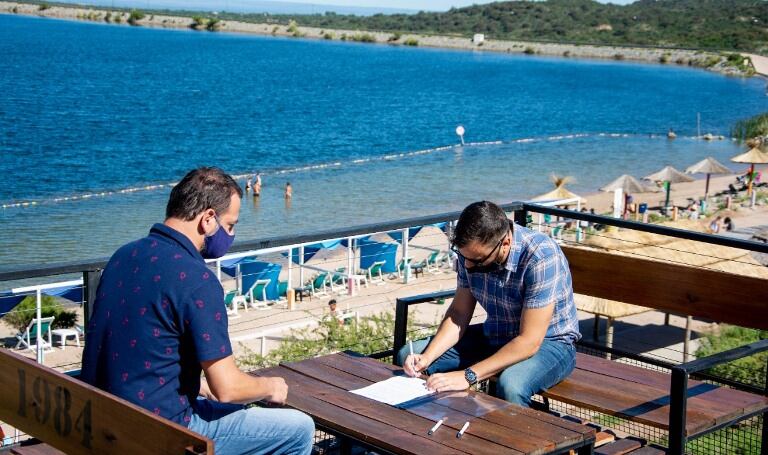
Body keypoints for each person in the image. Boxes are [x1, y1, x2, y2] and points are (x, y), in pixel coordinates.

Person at [81, 167, 314, 454]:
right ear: (207, 219)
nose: (231, 235)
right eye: (230, 226)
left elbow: (144, 347)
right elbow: (227, 389)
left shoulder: (123, 255)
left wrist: (191, 385)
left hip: (103, 422)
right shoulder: (197, 280)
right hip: (163, 434)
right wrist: (270, 386)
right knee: (300, 430)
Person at [398, 201, 580, 407]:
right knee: (409, 355)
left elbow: (529, 341)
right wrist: (427, 357)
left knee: (511, 384)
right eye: (463, 256)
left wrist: (467, 376)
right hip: (496, 334)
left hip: (551, 343)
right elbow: (458, 313)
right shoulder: (471, 254)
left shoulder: (541, 256)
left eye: (477, 260)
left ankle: (518, 438)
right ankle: (436, 427)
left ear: (505, 243)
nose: (467, 265)